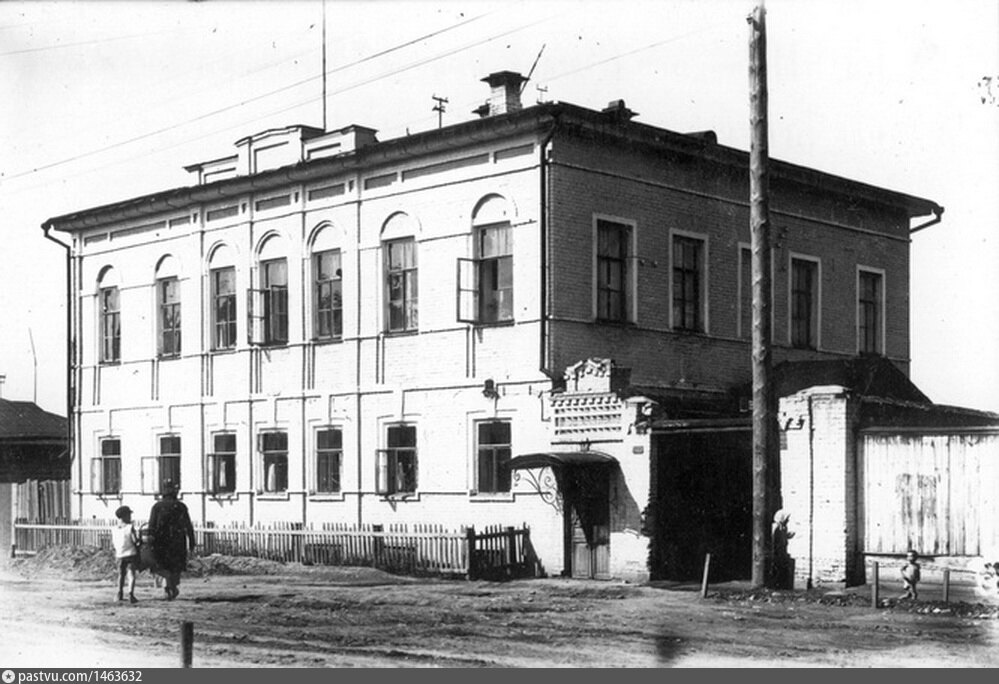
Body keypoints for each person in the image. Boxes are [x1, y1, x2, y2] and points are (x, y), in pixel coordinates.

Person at [147, 479, 196, 600]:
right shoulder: (180, 506)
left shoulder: (157, 507)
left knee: (164, 566)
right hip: (177, 542)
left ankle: (167, 588)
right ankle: (172, 587)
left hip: (161, 542)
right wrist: (192, 542)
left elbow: (151, 526)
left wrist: (150, 542)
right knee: (175, 566)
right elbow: (188, 525)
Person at [111, 505, 140, 604]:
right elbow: (135, 540)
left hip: (119, 554)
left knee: (121, 575)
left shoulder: (114, 529)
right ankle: (131, 593)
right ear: (124, 516)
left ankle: (119, 593)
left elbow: (113, 543)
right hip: (131, 553)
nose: (130, 517)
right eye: (129, 515)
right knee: (131, 574)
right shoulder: (130, 527)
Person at [771, 509, 795, 589]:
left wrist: (787, 536)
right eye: (786, 519)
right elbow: (775, 540)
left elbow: (782, 538)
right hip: (777, 551)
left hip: (782, 550)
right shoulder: (776, 527)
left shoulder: (783, 528)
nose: (788, 520)